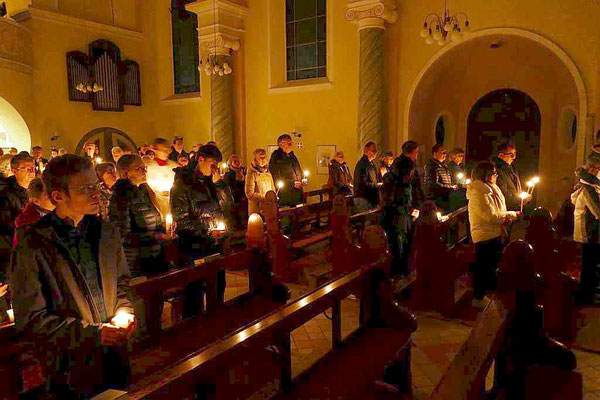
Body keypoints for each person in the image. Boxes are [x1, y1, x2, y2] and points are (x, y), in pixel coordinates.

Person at [9, 154, 135, 398]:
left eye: (96, 185)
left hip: (115, 356)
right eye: (86, 188)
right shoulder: (34, 245)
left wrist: (125, 311)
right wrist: (93, 334)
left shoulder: (106, 233)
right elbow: (32, 319)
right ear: (58, 196)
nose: (97, 193)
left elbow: (122, 282)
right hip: (69, 366)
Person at [170, 144, 232, 315]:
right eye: (212, 164)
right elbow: (181, 220)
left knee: (218, 288)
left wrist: (219, 184)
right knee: (194, 293)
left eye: (217, 165)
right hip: (193, 247)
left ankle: (216, 326)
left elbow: (227, 205)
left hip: (214, 244)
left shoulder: (212, 180)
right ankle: (193, 332)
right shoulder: (182, 183)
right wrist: (206, 231)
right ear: (200, 159)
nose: (215, 169)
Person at [467, 161, 519, 307]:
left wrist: (508, 215)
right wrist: (511, 215)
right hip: (484, 233)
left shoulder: (490, 188)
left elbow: (497, 210)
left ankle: (486, 293)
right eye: (494, 173)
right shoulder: (479, 191)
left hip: (493, 232)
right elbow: (490, 216)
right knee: (483, 266)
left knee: (490, 265)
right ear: (486, 175)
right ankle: (478, 297)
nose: (496, 175)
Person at [109, 155, 167, 278]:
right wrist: (155, 235)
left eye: (144, 168)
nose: (144, 171)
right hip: (137, 260)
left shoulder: (143, 190)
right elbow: (122, 235)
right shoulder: (120, 196)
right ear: (126, 173)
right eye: (139, 168)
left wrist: (162, 227)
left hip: (154, 254)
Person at [381, 140, 420, 276]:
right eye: (416, 153)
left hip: (395, 208)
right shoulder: (405, 165)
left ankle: (400, 269)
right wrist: (412, 207)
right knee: (400, 240)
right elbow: (405, 189)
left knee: (399, 240)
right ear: (413, 152)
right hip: (399, 209)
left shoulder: (398, 164)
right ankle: (400, 270)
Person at [571, 151, 600, 304]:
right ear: (593, 169)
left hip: (592, 230)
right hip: (590, 231)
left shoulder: (588, 182)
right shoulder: (588, 187)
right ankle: (586, 296)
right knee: (590, 265)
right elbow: (598, 210)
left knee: (590, 263)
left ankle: (588, 293)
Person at [0, 153, 35, 277]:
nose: (32, 171)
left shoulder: (37, 188)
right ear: (14, 171)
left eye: (33, 167)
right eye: (27, 168)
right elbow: (6, 228)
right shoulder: (5, 194)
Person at [14, 178, 55, 245]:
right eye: (48, 197)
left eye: (54, 194)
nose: (55, 199)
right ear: (36, 201)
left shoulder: (65, 209)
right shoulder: (25, 225)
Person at [145, 138, 178, 219]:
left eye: (166, 149)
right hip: (157, 202)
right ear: (156, 150)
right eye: (162, 150)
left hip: (173, 201)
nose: (166, 152)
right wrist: (159, 193)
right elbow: (148, 187)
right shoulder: (149, 167)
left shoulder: (174, 166)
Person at [269, 134, 306, 207]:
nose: (290, 145)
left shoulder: (292, 156)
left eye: (290, 143)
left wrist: (302, 180)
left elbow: (298, 170)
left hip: (297, 192)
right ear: (280, 144)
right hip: (285, 194)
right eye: (288, 143)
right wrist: (292, 184)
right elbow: (276, 176)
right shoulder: (276, 157)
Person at [493, 142, 525, 211]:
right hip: (506, 210)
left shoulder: (511, 168)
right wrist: (519, 199)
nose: (514, 157)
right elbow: (502, 193)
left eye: (515, 154)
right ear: (501, 155)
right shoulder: (496, 171)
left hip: (515, 208)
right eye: (511, 155)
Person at [424, 144, 457, 212]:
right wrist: (450, 187)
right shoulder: (431, 166)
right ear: (435, 153)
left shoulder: (444, 166)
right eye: (442, 152)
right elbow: (432, 184)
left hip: (445, 198)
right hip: (436, 200)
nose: (445, 154)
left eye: (445, 152)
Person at [245, 148, 275, 215]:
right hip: (257, 209)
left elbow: (273, 188)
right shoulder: (251, 173)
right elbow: (249, 193)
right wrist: (265, 197)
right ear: (255, 160)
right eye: (261, 158)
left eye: (264, 157)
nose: (263, 160)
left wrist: (274, 196)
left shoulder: (268, 172)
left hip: (268, 207)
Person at [354, 141, 381, 211]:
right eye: (373, 151)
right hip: (363, 198)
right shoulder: (362, 164)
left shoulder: (370, 163)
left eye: (376, 151)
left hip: (370, 197)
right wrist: (376, 185)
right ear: (366, 151)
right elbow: (362, 183)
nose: (375, 153)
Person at [224, 154, 247, 229]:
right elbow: (229, 187)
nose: (238, 163)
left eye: (239, 161)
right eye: (235, 161)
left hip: (245, 197)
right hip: (235, 199)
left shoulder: (244, 171)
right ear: (230, 163)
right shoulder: (228, 174)